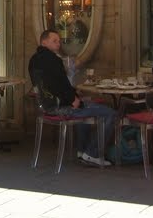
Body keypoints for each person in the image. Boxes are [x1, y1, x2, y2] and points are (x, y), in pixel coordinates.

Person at [28, 29, 116, 167]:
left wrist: (74, 96)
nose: (58, 44)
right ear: (43, 42)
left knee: (84, 107)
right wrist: (73, 99)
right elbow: (60, 85)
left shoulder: (33, 60)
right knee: (109, 113)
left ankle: (82, 151)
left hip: (46, 107)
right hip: (61, 108)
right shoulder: (53, 60)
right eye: (54, 41)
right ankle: (92, 153)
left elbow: (50, 85)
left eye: (59, 41)